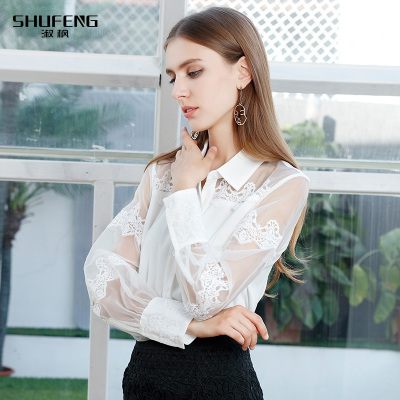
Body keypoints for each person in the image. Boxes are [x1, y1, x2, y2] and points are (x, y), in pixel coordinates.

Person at [84, 6, 309, 400]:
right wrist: (188, 324)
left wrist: (186, 190)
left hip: (218, 382)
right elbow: (102, 280)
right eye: (173, 77)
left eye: (194, 72)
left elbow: (207, 296)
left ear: (243, 72)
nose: (178, 91)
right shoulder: (162, 173)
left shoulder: (281, 184)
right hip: (144, 378)